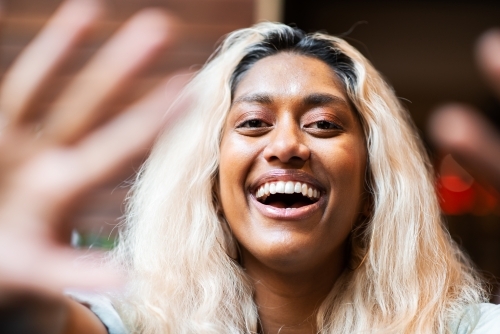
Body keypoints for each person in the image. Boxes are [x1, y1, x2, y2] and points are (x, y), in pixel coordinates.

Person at [1, 1, 500, 334]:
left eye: (323, 124)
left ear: (372, 184)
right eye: (255, 122)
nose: (287, 145)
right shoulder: (138, 323)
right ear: (211, 182)